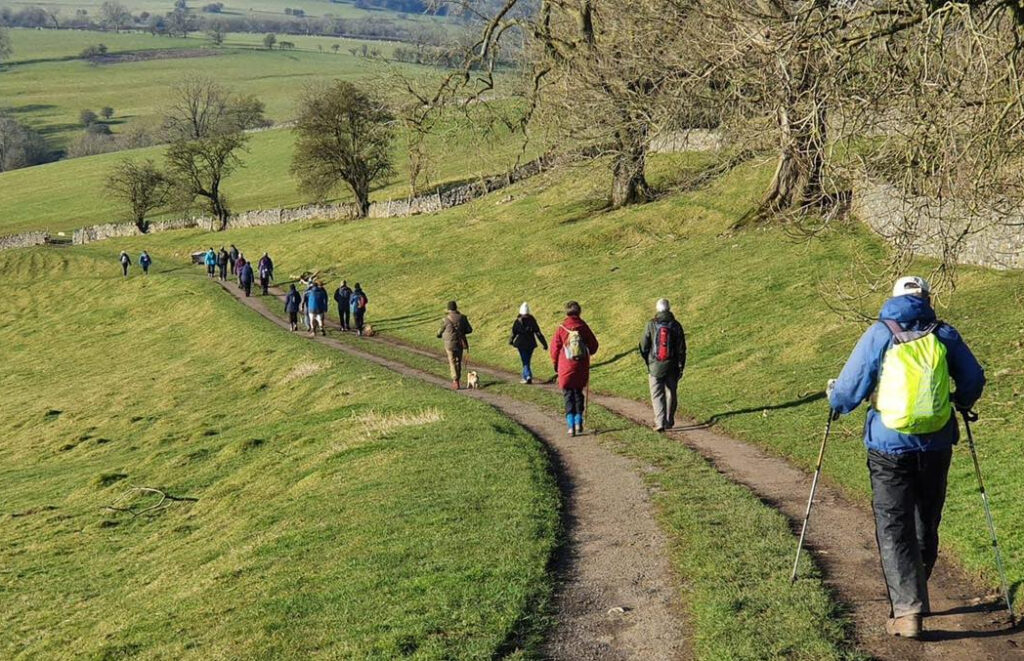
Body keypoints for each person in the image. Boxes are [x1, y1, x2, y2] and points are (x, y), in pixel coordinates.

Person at [828, 276, 985, 639]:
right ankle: (916, 589)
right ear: (927, 299)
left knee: (894, 525)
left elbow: (850, 389)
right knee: (926, 521)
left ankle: (907, 610)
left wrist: (836, 400)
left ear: (894, 299)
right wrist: (960, 402)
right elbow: (974, 379)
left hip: (888, 447)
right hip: (936, 445)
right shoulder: (944, 334)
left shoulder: (881, 333)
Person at [550, 301, 599, 436]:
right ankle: (579, 421)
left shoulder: (561, 328)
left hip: (565, 366)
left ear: (566, 312)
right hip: (581, 366)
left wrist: (556, 364)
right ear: (579, 312)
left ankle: (570, 425)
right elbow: (594, 345)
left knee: (567, 395)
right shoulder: (583, 326)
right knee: (578, 393)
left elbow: (554, 349)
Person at [639, 298, 687, 432]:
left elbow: (643, 345)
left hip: (655, 366)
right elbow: (682, 348)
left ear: (657, 309)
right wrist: (681, 365)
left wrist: (648, 360)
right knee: (671, 392)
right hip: (672, 365)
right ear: (669, 308)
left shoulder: (651, 324)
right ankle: (669, 420)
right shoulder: (676, 325)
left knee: (657, 394)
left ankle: (659, 422)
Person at [437, 301, 474, 389]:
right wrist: (461, 330)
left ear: (448, 309)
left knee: (452, 361)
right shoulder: (463, 318)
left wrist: (439, 335)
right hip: (460, 343)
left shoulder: (445, 320)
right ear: (456, 308)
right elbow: (469, 330)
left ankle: (455, 380)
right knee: (458, 361)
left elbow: (439, 332)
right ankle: (457, 378)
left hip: (449, 344)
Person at [509, 302, 547, 384]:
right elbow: (538, 333)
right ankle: (525, 376)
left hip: (521, 343)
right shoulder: (532, 320)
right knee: (527, 360)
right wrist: (544, 344)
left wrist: (511, 341)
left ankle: (528, 376)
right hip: (531, 343)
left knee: (525, 361)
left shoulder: (517, 321)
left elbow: (514, 333)